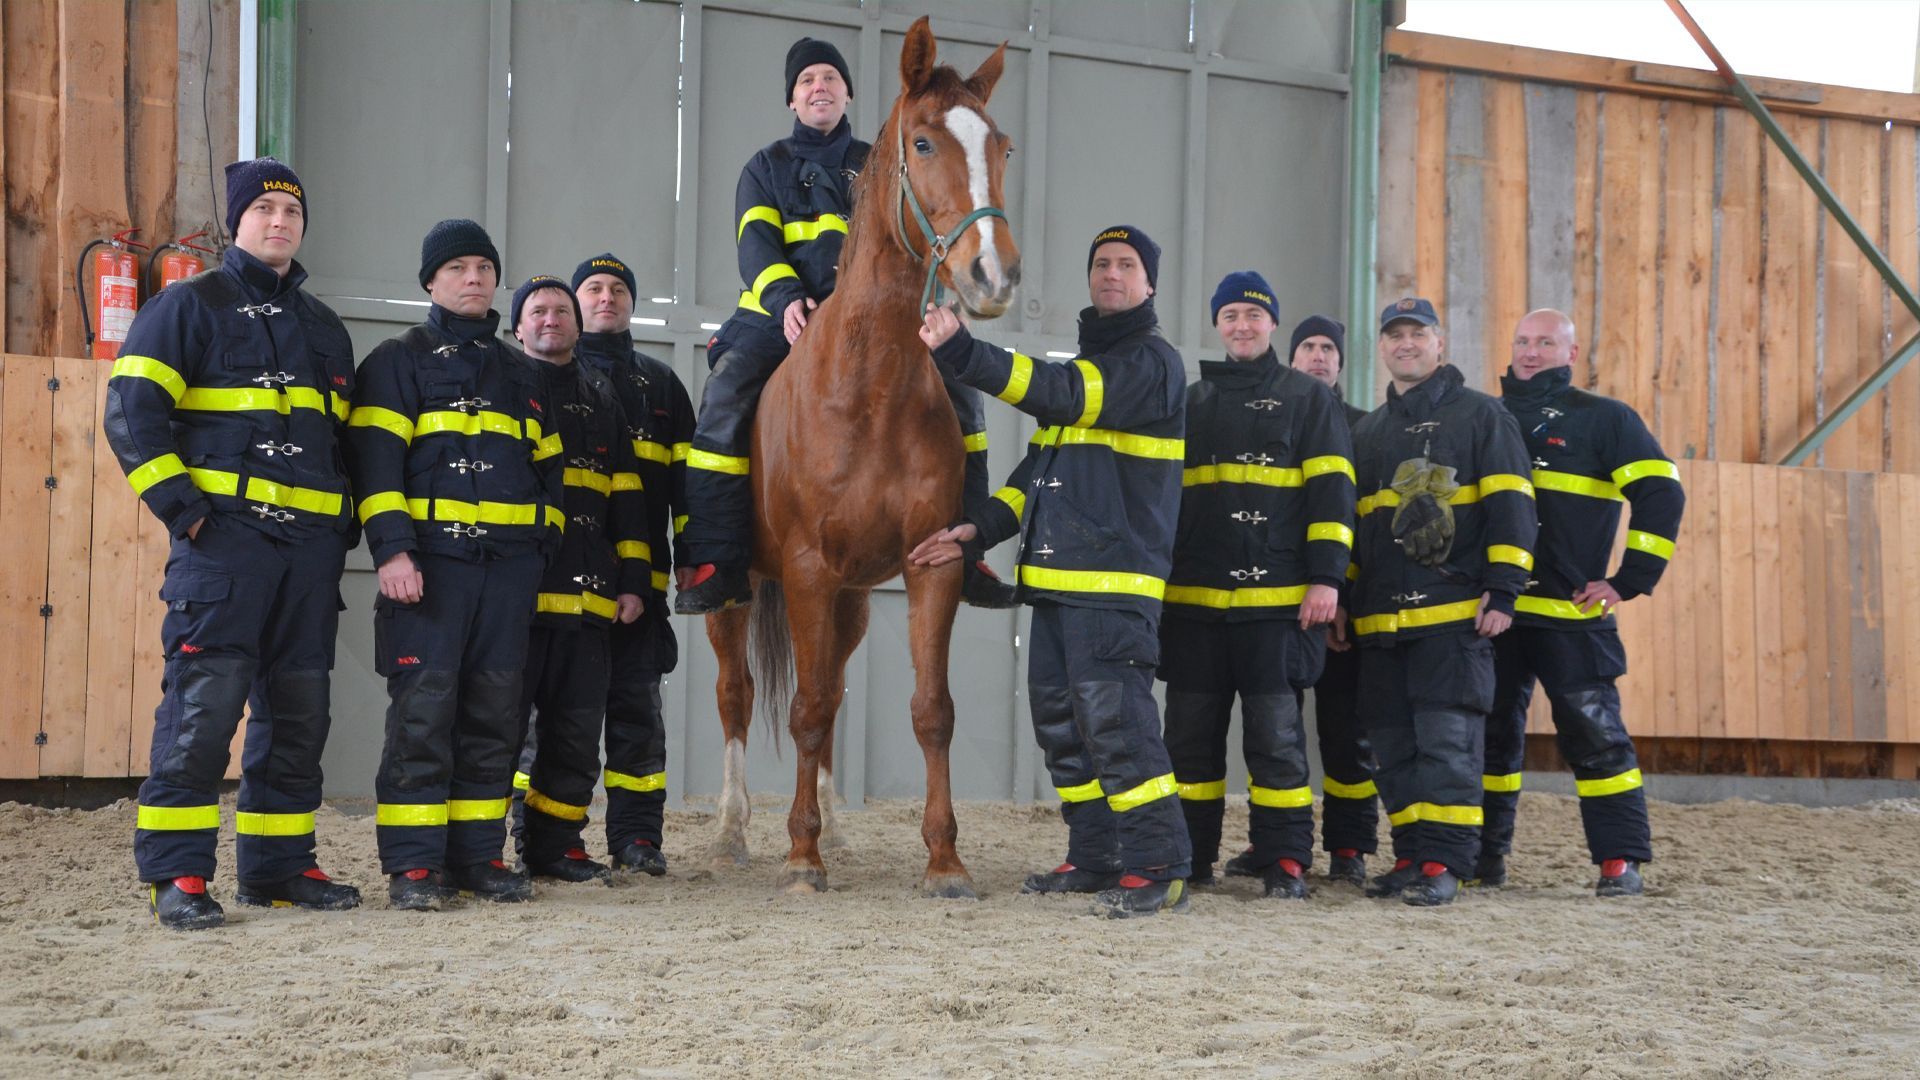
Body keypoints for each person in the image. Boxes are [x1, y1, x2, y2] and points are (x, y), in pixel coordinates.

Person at [106, 156, 362, 929]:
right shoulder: (188, 306)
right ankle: (177, 875)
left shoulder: (324, 329)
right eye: (265, 212)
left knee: (299, 712)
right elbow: (131, 415)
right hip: (224, 545)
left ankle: (279, 867)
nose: (280, 223)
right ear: (238, 223)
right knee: (203, 710)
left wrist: (337, 531)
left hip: (308, 558)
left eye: (293, 213)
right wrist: (185, 513)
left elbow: (342, 443)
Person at [911, 225, 1191, 918]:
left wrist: (964, 353)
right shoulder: (1090, 364)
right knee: (1065, 728)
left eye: (1128, 265)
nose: (1112, 274)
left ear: (1149, 284)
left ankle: (1159, 865)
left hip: (1113, 589)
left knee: (1118, 727)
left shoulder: (1149, 364)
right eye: (1101, 263)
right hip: (1058, 588)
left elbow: (1060, 393)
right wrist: (975, 531)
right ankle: (1097, 857)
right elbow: (1035, 475)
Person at [675, 36, 1009, 613]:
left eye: (829, 77)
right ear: (792, 100)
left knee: (963, 395)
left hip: (874, 321)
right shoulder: (765, 167)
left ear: (848, 92)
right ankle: (714, 554)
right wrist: (785, 300)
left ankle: (968, 545)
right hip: (778, 313)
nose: (818, 87)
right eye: (806, 81)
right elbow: (755, 247)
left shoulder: (881, 160)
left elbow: (915, 231)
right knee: (725, 392)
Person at [345, 219, 564, 910]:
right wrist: (393, 550)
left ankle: (476, 857)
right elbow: (374, 465)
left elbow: (550, 478)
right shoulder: (395, 360)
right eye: (458, 268)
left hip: (506, 578)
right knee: (423, 716)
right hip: (429, 575)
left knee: (496, 718)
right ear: (430, 281)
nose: (474, 278)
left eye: (484, 267)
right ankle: (413, 867)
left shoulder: (523, 373)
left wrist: (536, 559)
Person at [1158, 275, 1355, 899]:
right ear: (1218, 324)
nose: (1242, 325)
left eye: (1254, 314)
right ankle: (1191, 859)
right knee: (1188, 743)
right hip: (1194, 607)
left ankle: (1285, 860)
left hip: (1279, 609)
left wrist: (1326, 578)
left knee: (1275, 741)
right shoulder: (1188, 401)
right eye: (1231, 315)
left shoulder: (1309, 399)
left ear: (1273, 324)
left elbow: (1334, 494)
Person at [1482, 308, 1684, 897]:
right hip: (1493, 614)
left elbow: (1662, 493)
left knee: (1595, 737)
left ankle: (1619, 861)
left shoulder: (1606, 420)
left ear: (1571, 354)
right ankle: (1482, 860)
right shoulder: (1481, 414)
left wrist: (1628, 580)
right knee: (1486, 741)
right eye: (1522, 340)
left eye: (1546, 342)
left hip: (1571, 615)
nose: (1530, 351)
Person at [1347, 297, 1537, 907]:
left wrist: (1504, 588)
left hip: (1453, 617)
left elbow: (1514, 504)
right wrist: (1349, 602)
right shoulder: (1368, 432)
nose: (1406, 343)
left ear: (1440, 342)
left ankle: (1445, 865)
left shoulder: (1483, 416)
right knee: (1393, 748)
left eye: (1417, 333)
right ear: (1383, 347)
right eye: (1395, 335)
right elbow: (1355, 527)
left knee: (1448, 744)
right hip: (1380, 622)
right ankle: (1412, 856)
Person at [505, 275, 649, 882]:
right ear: (517, 327)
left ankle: (557, 846)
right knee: (500, 729)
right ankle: (485, 849)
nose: (550, 319)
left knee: (574, 731)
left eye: (561, 310)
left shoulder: (601, 395)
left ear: (578, 323)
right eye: (537, 310)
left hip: (589, 598)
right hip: (516, 597)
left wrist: (634, 580)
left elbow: (626, 492)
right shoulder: (500, 386)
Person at [572, 253, 695, 874]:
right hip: (560, 588)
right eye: (593, 287)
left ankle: (638, 840)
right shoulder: (543, 374)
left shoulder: (663, 385)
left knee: (637, 716)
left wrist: (696, 564)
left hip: (641, 589)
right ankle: (546, 838)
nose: (606, 297)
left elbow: (688, 491)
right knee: (554, 719)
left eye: (619, 288)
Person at [1261, 314, 1382, 888]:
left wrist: (1345, 598)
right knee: (1279, 731)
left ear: (1341, 362)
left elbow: (1361, 521)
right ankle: (1279, 847)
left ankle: (1350, 846)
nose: (1318, 356)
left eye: (1328, 348)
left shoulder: (1365, 428)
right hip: (1284, 603)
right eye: (1307, 346)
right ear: (1292, 356)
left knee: (1344, 730)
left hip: (1340, 608)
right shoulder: (1273, 420)